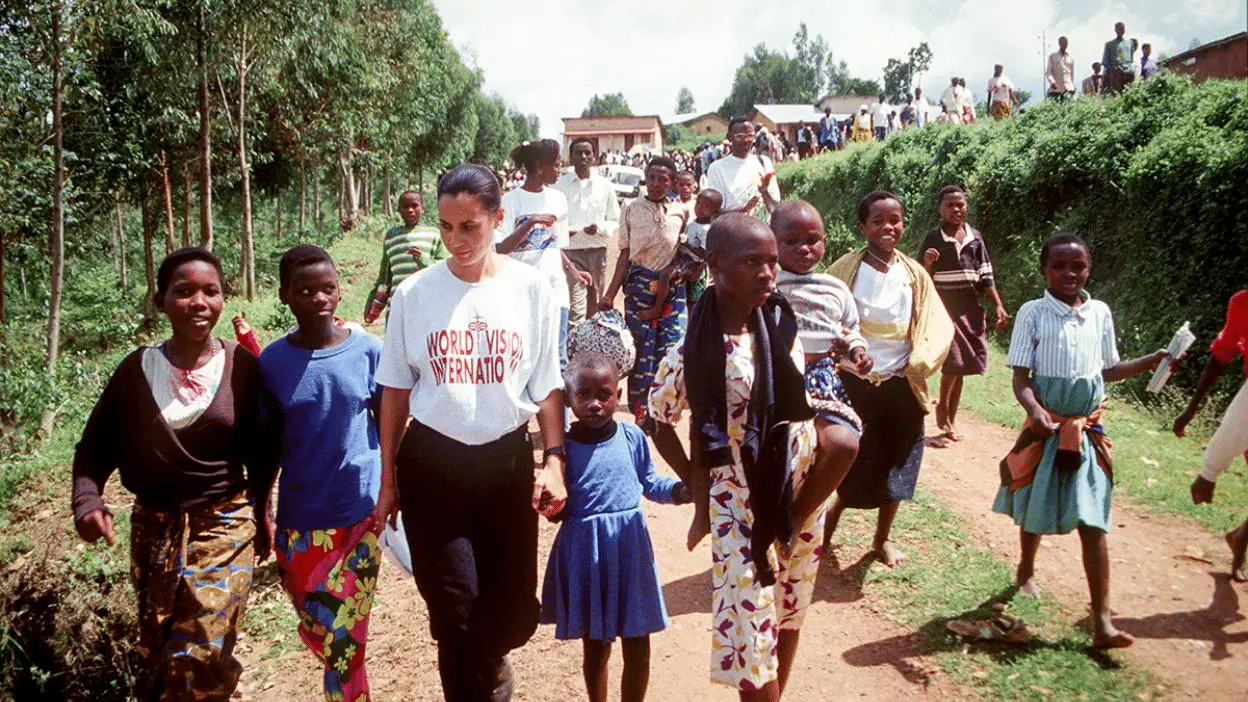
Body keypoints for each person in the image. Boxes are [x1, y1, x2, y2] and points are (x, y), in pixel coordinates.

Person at [373, 163, 568, 700]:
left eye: (470, 227)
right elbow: (393, 390)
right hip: (434, 467)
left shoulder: (531, 290)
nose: (456, 241)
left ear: (498, 219)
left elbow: (547, 385)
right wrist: (388, 479)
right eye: (446, 227)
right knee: (455, 615)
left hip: (505, 464)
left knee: (510, 616)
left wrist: (553, 460)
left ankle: (491, 666)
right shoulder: (414, 294)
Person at [71, 247, 274, 701]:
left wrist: (264, 513)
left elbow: (264, 452)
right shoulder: (136, 371)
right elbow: (93, 450)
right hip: (153, 531)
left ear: (223, 298)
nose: (199, 302)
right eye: (183, 292)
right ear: (160, 299)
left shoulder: (243, 367)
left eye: (211, 291)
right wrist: (88, 502)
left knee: (200, 655)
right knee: (158, 657)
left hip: (225, 525)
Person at [648, 213, 822, 700]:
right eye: (753, 262)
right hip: (740, 504)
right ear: (715, 264)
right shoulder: (696, 351)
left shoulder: (778, 320)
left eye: (771, 261)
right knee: (750, 631)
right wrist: (696, 483)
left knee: (787, 611)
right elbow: (658, 417)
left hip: (799, 493)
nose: (768, 272)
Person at [993, 232, 1168, 649]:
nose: (1069, 273)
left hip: (1085, 432)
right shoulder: (1033, 314)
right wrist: (1035, 412)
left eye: (1078, 266)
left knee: (1094, 521)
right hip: (1046, 427)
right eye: (1059, 266)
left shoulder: (1100, 313)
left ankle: (1102, 621)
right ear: (1044, 270)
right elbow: (1021, 377)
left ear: (1089, 269)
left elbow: (1107, 370)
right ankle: (1026, 569)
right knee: (1033, 499)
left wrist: (1151, 361)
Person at [258, 244, 384, 700]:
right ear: (284, 296)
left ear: (339, 289)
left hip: (359, 520)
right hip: (299, 525)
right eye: (305, 290)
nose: (319, 299)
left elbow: (393, 429)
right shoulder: (271, 364)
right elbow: (265, 449)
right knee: (318, 629)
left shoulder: (370, 352)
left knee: (346, 645)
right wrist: (261, 514)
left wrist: (396, 492)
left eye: (327, 288)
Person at [540, 353, 689, 702]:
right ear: (568, 396)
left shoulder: (631, 437)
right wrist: (551, 508)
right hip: (588, 555)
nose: (594, 403)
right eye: (583, 395)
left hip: (629, 549)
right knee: (596, 646)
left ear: (618, 392)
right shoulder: (561, 450)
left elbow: (650, 482)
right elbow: (557, 505)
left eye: (604, 394)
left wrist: (681, 491)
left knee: (638, 642)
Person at [823, 192, 954, 567]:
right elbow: (826, 319)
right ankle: (824, 532)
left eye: (894, 220)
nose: (888, 227)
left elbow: (934, 321)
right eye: (878, 221)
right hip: (853, 385)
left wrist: (920, 362)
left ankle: (882, 540)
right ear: (862, 227)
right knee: (847, 461)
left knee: (899, 462)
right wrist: (846, 354)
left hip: (899, 385)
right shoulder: (844, 271)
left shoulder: (913, 274)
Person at [773, 200, 869, 530]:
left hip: (822, 381)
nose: (803, 248)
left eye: (812, 239)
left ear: (824, 241)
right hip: (776, 381)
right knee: (779, 450)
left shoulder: (835, 289)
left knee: (844, 443)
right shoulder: (766, 285)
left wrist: (857, 352)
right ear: (772, 241)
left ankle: (798, 518)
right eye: (791, 241)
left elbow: (850, 331)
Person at [917, 186, 1009, 446]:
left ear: (966, 207)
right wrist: (927, 262)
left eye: (961, 204)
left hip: (971, 308)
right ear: (940, 209)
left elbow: (986, 276)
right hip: (945, 309)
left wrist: (999, 305)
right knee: (954, 362)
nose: (956, 209)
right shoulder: (933, 238)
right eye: (950, 205)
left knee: (963, 366)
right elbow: (920, 275)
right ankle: (942, 410)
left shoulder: (975, 237)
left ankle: (951, 419)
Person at [600, 156, 689, 422]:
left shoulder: (682, 211)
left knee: (671, 351)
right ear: (645, 179)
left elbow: (687, 252)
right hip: (638, 289)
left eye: (664, 179)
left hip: (672, 291)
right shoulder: (630, 207)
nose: (657, 184)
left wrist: (675, 272)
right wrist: (609, 294)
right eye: (652, 178)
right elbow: (624, 256)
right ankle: (641, 415)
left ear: (672, 182)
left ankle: (664, 412)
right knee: (639, 354)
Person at [1173, 289, 1248, 583]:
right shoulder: (1243, 304)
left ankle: (1240, 536)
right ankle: (1240, 537)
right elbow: (1222, 354)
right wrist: (1191, 409)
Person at [496, 139, 584, 371]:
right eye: (556, 165)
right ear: (539, 167)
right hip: (521, 293)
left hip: (556, 291)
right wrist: (530, 223)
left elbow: (556, 247)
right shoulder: (509, 202)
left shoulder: (558, 200)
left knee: (557, 360)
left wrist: (573, 270)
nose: (560, 171)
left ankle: (559, 409)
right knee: (523, 359)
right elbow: (499, 249)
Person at [556, 138, 620, 325]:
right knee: (576, 309)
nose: (583, 157)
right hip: (571, 252)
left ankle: (591, 350)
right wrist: (564, 231)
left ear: (595, 157)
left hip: (597, 251)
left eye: (587, 153)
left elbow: (614, 219)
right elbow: (553, 218)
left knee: (596, 305)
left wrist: (599, 228)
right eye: (578, 153)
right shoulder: (560, 184)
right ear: (571, 157)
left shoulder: (604, 185)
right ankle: (571, 351)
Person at [363, 190, 444, 324]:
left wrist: (423, 261)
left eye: (414, 206)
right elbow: (385, 276)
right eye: (405, 207)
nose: (410, 210)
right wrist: (372, 300)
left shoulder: (434, 235)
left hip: (427, 305)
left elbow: (444, 268)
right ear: (399, 210)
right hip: (397, 306)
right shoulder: (391, 236)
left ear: (422, 208)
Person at [706, 117, 781, 219]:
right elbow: (715, 212)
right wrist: (743, 210)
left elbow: (775, 207)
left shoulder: (764, 162)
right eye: (739, 136)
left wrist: (764, 192)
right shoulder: (717, 168)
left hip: (763, 231)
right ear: (729, 137)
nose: (746, 140)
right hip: (733, 230)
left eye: (750, 136)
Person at [682, 188, 721, 308]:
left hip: (697, 268)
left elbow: (705, 253)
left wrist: (686, 244)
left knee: (694, 302)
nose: (699, 207)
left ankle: (693, 325)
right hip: (686, 265)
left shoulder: (707, 229)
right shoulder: (692, 223)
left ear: (714, 212)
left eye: (705, 206)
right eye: (698, 203)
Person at [1102, 22, 1138, 95]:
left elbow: (1131, 59)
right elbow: (1105, 62)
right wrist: (1113, 70)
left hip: (1128, 72)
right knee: (1117, 94)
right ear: (1115, 30)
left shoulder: (1129, 43)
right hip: (1115, 73)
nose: (1120, 30)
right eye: (1118, 29)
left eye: (1122, 28)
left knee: (1129, 93)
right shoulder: (1109, 44)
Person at [1045, 36, 1076, 101]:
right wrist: (1052, 82)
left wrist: (1072, 85)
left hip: (1068, 88)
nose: (1064, 44)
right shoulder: (1053, 56)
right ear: (1059, 44)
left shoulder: (1070, 58)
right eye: (1062, 43)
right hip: (1056, 89)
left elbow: (1072, 74)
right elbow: (1048, 72)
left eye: (1065, 43)